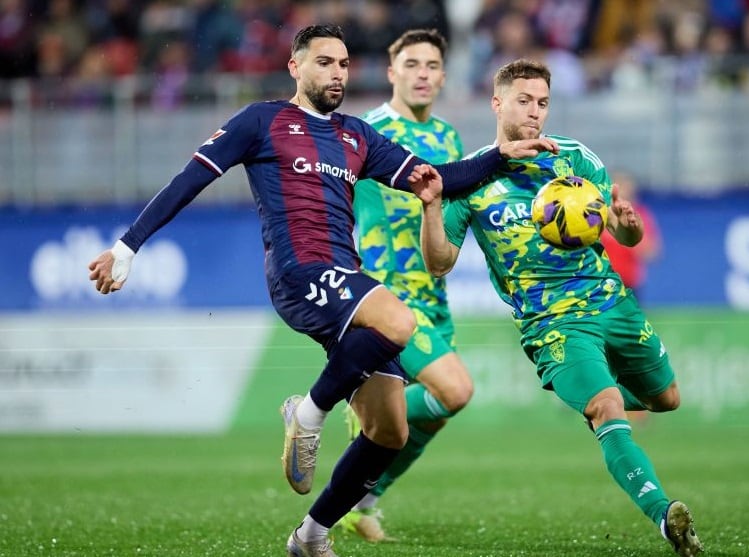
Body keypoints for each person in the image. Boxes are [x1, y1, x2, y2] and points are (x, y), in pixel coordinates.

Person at [86, 25, 557, 557]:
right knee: (398, 321)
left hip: (345, 281)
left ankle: (311, 535)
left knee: (389, 432)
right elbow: (190, 179)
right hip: (299, 272)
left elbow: (437, 176)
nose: (336, 74)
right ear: (295, 67)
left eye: (344, 65)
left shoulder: (356, 135)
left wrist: (502, 153)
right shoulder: (260, 121)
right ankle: (308, 412)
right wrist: (127, 248)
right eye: (325, 63)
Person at [416, 58, 705, 557]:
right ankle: (664, 514)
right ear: (497, 102)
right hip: (552, 323)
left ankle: (597, 403)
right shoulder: (471, 178)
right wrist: (431, 209)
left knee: (667, 400)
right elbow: (439, 263)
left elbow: (626, 237)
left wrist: (626, 222)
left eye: (543, 103)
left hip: (611, 303)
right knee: (608, 406)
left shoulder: (576, 160)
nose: (534, 112)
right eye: (524, 100)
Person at [338, 28, 472, 542]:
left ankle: (362, 497)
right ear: (392, 73)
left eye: (432, 65)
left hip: (434, 295)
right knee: (454, 391)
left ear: (442, 75)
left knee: (434, 414)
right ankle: (363, 421)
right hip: (386, 296)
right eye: (411, 64)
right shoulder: (365, 132)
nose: (422, 74)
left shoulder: (448, 137)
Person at [600, 170, 662, 302]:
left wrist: (631, 236)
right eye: (617, 186)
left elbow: (652, 252)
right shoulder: (599, 214)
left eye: (625, 186)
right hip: (602, 281)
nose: (621, 191)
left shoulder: (640, 215)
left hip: (629, 283)